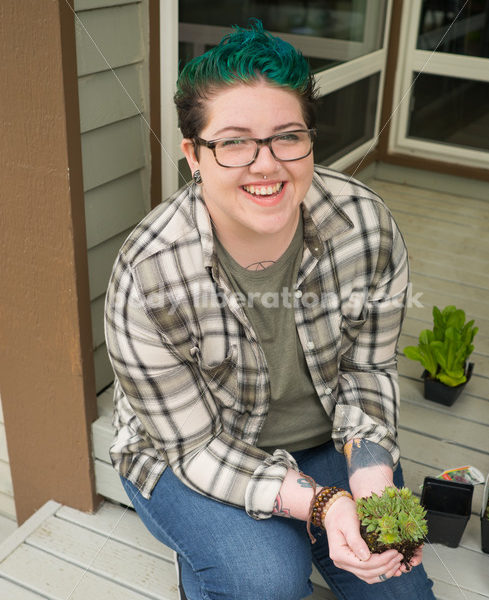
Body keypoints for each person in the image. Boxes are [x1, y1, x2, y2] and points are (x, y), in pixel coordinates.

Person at [105, 20, 435, 600]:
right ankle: (212, 565)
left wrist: (372, 470)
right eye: (234, 141)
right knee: (265, 578)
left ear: (310, 139)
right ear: (193, 155)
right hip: (192, 453)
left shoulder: (365, 225)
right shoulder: (149, 276)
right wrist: (322, 503)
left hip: (326, 437)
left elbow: (368, 369)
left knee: (397, 589)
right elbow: (192, 448)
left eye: (288, 136)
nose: (267, 165)